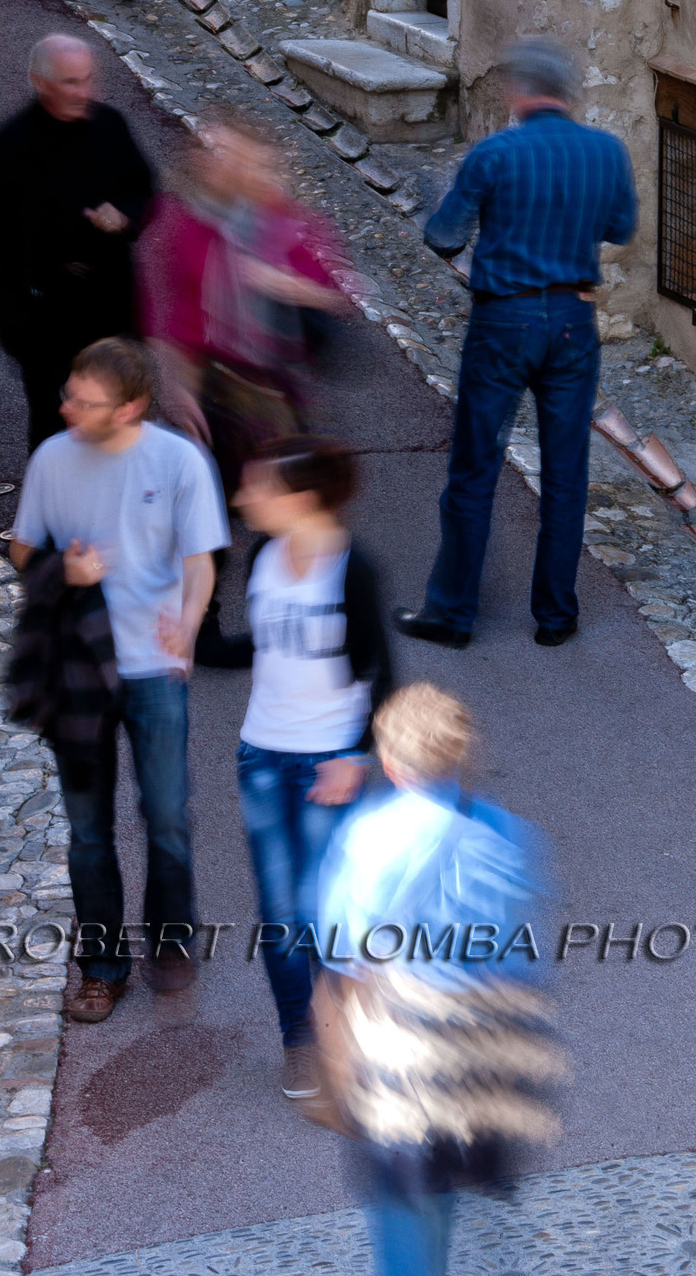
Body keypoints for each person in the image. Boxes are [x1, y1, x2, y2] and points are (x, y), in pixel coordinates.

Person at [8, 336, 229, 1022]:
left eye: (85, 400)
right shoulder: (52, 457)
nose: (67, 406)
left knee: (166, 817)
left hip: (155, 670)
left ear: (130, 406)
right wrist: (62, 571)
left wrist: (188, 626)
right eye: (69, 393)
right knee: (88, 832)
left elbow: (201, 559)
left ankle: (172, 943)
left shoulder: (177, 460)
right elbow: (21, 547)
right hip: (79, 664)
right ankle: (102, 968)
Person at [396, 38, 638, 651]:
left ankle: (451, 613)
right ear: (568, 92)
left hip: (504, 321)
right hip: (573, 320)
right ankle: (556, 615)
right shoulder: (606, 152)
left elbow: (445, 237)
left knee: (476, 465)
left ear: (520, 92)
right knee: (566, 473)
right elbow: (621, 228)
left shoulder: (494, 154)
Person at [315, 684, 563, 1276]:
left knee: (402, 1190)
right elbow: (520, 952)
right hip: (482, 1044)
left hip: (407, 1042)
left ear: (393, 766)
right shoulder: (509, 833)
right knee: (445, 1175)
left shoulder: (370, 837)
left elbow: (347, 955)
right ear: (458, 759)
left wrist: (337, 1052)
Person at [139, 120, 351, 663]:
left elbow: (335, 292)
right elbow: (167, 313)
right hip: (212, 384)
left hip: (273, 391)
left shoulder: (280, 219)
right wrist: (177, 389)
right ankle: (203, 628)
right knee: (205, 514)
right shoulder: (182, 222)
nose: (225, 163)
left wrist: (277, 282)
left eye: (235, 153)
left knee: (285, 505)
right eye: (214, 153)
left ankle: (286, 615)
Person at [231, 437, 392, 1102]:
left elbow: (380, 670)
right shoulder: (261, 559)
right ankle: (300, 1037)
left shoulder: (352, 570)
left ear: (299, 499)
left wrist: (354, 754)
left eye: (255, 487)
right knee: (280, 911)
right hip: (262, 755)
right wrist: (181, 638)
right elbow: (260, 647)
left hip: (330, 759)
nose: (242, 498)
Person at [0, 35, 154, 451]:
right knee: (55, 417)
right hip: (44, 313)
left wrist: (124, 216)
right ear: (40, 81)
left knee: (120, 408)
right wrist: (16, 314)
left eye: (89, 79)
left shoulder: (109, 126)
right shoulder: (11, 147)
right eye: (71, 82)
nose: (84, 92)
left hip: (106, 301)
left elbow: (143, 187)